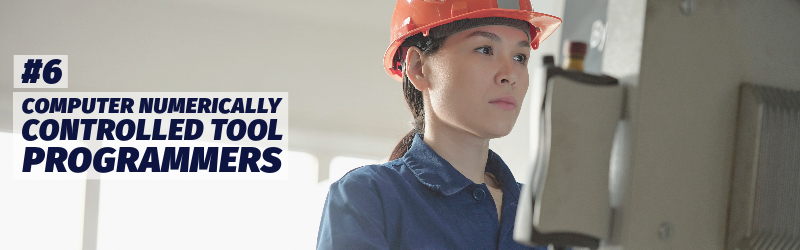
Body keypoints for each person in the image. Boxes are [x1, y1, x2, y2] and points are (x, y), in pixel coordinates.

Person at [317, 0, 561, 249]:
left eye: (520, 57)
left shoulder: (547, 216)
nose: (510, 74)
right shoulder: (367, 196)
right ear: (418, 67)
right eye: (485, 49)